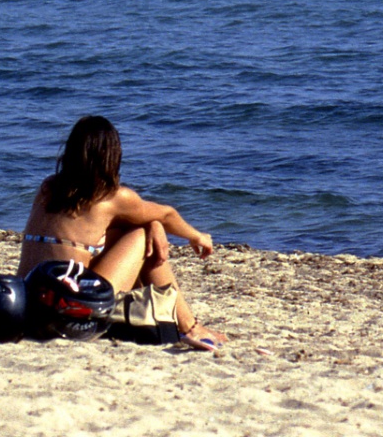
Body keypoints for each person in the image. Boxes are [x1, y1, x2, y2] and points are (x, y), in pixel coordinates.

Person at [18, 115, 227, 351]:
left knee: (137, 229)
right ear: (111, 156)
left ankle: (165, 319)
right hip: (68, 315)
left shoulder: (48, 187)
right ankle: (189, 326)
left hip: (30, 308)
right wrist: (196, 236)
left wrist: (154, 224)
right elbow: (167, 214)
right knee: (143, 235)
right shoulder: (112, 198)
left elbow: (105, 229)